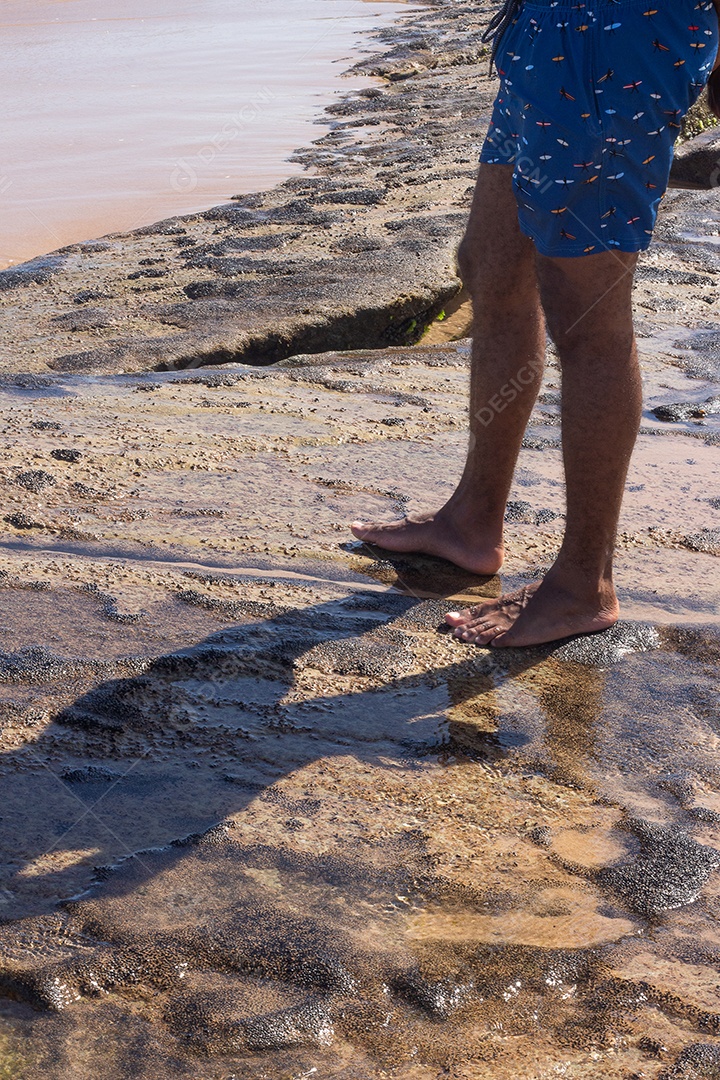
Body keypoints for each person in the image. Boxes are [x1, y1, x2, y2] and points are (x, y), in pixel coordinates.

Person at [351, 0, 720, 649]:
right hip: (546, 27)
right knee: (491, 265)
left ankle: (584, 584)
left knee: (587, 314)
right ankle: (472, 518)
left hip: (616, 41)